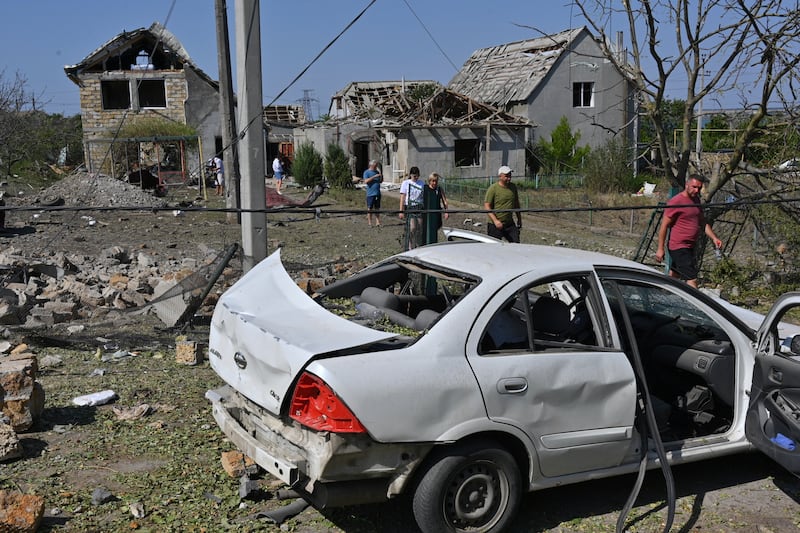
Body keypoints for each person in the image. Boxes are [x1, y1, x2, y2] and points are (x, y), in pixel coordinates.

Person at [655, 174, 723, 288]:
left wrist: (714, 238)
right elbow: (664, 226)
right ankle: (697, 304)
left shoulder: (696, 200)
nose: (697, 190)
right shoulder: (676, 202)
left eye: (699, 188)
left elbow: (703, 222)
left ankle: (664, 294)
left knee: (675, 274)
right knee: (691, 278)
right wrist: (660, 249)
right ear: (687, 185)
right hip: (678, 246)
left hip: (690, 246)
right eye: (694, 187)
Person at [484, 165, 522, 242]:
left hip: (509, 223)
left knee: (516, 243)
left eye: (510, 175)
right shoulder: (493, 188)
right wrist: (495, 221)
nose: (509, 178)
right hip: (495, 224)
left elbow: (516, 204)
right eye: (506, 176)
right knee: (495, 247)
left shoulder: (513, 187)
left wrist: (519, 218)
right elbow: (487, 206)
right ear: (500, 176)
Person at [399, 167, 426, 248]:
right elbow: (402, 197)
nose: (416, 178)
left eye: (417, 176)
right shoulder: (406, 183)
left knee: (420, 228)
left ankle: (418, 245)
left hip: (419, 206)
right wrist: (401, 210)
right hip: (410, 207)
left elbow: (424, 195)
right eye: (414, 176)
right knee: (412, 228)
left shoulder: (422, 183)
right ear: (411, 175)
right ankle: (410, 246)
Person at [422, 172, 448, 243]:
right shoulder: (425, 188)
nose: (434, 183)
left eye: (436, 181)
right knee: (426, 231)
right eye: (433, 181)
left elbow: (444, 201)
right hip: (427, 214)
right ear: (429, 181)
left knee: (436, 230)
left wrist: (446, 212)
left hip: (436, 214)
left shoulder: (439, 189)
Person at [363, 159, 383, 227]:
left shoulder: (377, 171)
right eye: (375, 165)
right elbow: (366, 181)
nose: (376, 167)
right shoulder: (367, 172)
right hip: (370, 194)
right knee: (370, 208)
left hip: (377, 193)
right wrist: (374, 176)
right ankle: (370, 223)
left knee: (377, 208)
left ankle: (378, 222)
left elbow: (379, 181)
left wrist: (381, 177)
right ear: (371, 165)